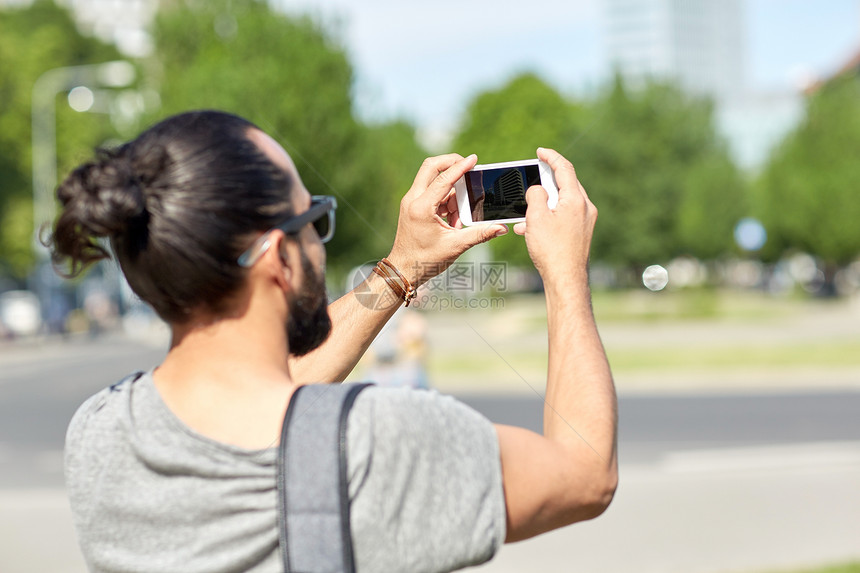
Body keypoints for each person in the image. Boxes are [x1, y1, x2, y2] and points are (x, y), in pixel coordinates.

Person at [50, 110, 617, 572]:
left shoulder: (101, 432)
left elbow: (275, 393)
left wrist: (403, 269)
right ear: (278, 258)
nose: (321, 242)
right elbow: (585, 473)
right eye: (315, 219)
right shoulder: (379, 442)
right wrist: (565, 271)